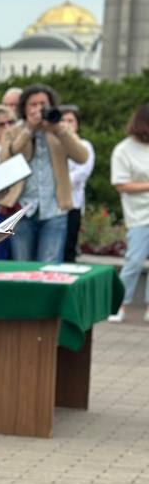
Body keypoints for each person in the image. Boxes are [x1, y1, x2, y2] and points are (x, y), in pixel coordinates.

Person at [0, 84, 87, 263]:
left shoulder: (60, 130)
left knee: (49, 268)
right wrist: (28, 130)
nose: (38, 108)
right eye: (33, 104)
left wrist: (60, 131)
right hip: (22, 209)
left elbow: (82, 156)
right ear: (24, 107)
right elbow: (6, 159)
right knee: (22, 267)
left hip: (54, 209)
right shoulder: (13, 131)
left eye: (43, 104)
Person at [108, 103, 149, 322]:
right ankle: (119, 304)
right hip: (139, 215)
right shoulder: (123, 150)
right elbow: (121, 184)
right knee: (134, 261)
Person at [60, 105, 94, 263]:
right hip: (53, 205)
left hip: (73, 203)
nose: (67, 124)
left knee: (69, 245)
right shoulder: (54, 144)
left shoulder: (85, 145)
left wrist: (58, 180)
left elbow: (82, 173)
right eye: (63, 120)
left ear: (77, 124)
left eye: (71, 120)